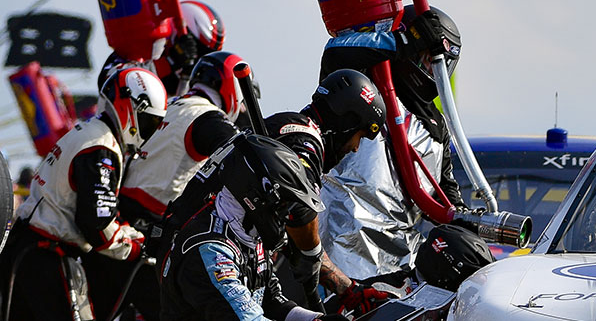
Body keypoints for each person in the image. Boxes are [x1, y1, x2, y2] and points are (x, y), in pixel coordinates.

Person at [152, 68, 393, 315]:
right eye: (360, 136)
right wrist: (310, 256)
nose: (355, 149)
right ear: (347, 120)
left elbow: (275, 303)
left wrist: (345, 291)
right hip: (209, 251)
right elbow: (301, 212)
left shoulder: (281, 133)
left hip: (195, 256)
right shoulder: (303, 141)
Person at [0, 67, 168, 321]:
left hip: (28, 246)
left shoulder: (89, 132)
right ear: (133, 109)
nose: (149, 131)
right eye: (150, 121)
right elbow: (96, 225)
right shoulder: (102, 148)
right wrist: (137, 246)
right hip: (47, 255)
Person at [92, 51, 249, 319]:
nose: (244, 108)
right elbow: (245, 161)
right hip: (147, 235)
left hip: (117, 221)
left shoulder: (171, 102)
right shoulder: (209, 117)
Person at [314, 5, 467, 281]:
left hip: (400, 271)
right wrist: (402, 41)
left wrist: (473, 225)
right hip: (334, 260)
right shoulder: (364, 89)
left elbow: (446, 198)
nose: (433, 71)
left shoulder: (438, 127)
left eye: (440, 64)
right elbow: (336, 50)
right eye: (426, 58)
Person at [158, 133, 342, 321]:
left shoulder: (246, 235)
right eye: (283, 205)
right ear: (256, 198)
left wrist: (316, 319)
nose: (286, 217)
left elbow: (272, 302)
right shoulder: (211, 250)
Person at [99, 0, 227, 96]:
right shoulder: (139, 52)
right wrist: (172, 64)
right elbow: (108, 82)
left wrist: (186, 76)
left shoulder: (197, 85)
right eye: (196, 49)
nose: (196, 59)